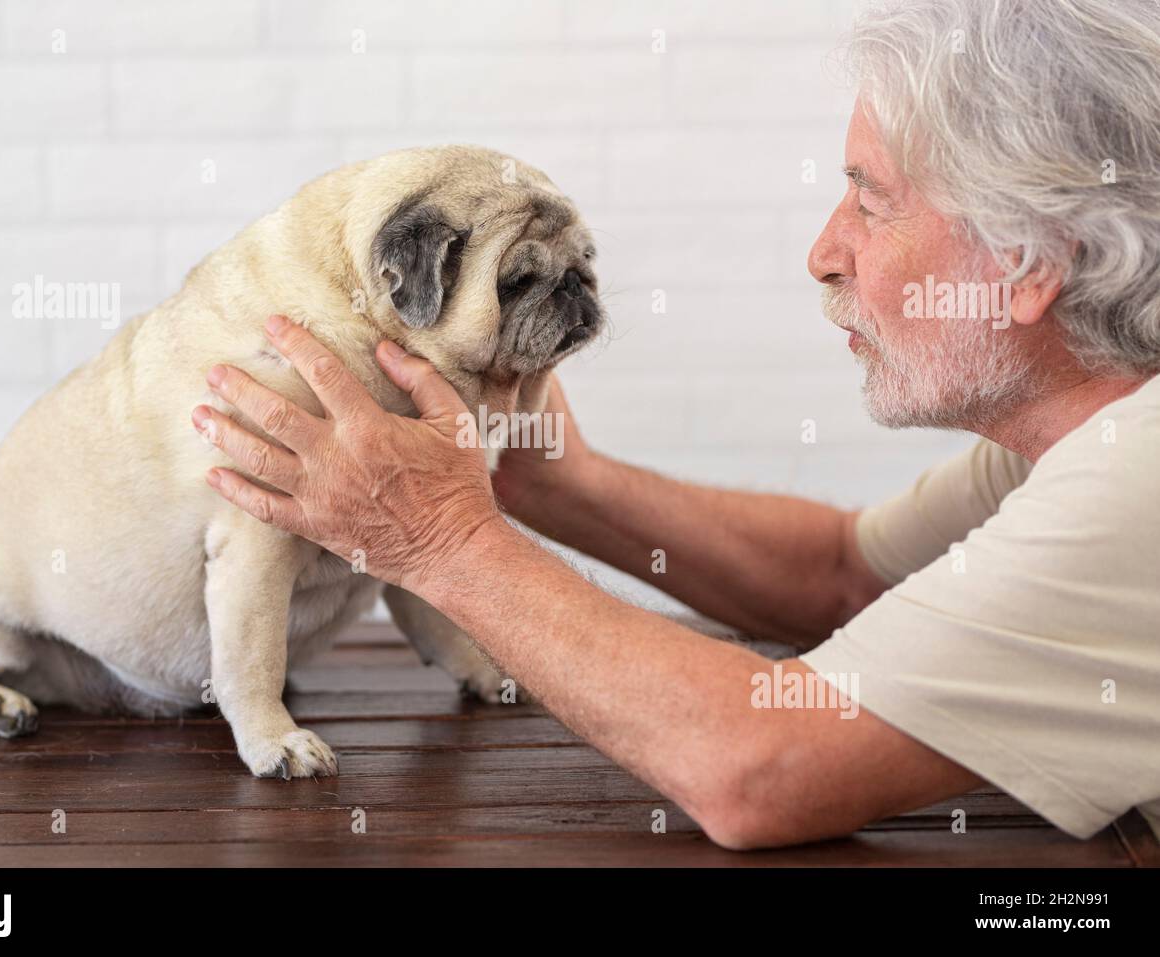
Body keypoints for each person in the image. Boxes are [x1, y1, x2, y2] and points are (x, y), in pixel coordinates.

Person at [190, 0, 1160, 849]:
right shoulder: (1082, 431)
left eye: (871, 200)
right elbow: (842, 574)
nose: (824, 252)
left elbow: (760, 768)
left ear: (1033, 261)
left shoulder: (1137, 477)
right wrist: (547, 479)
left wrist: (442, 538)